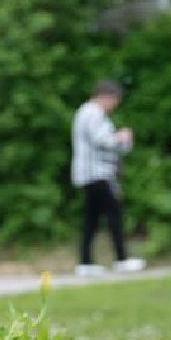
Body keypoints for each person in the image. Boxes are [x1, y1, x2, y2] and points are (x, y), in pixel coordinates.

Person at [70, 78, 143, 276]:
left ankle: (85, 262)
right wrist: (121, 136)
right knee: (114, 214)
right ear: (106, 97)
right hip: (98, 174)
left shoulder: (85, 112)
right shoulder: (93, 113)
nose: (114, 106)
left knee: (91, 219)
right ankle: (121, 259)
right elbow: (102, 140)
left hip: (88, 174)